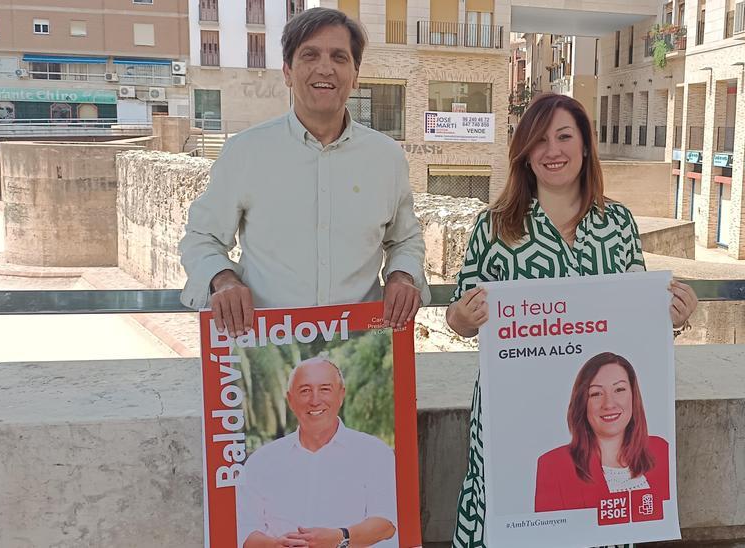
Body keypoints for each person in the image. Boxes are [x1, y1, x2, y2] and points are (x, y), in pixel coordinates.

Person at [444, 93, 699, 547]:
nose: (552, 151)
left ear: (585, 146)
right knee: (512, 508)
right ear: (524, 152)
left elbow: (639, 317)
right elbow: (460, 319)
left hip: (591, 406)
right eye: (539, 140)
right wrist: (463, 317)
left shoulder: (616, 222)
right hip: (512, 408)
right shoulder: (497, 225)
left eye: (564, 136)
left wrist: (674, 316)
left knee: (595, 520)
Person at [179, 7, 429, 334]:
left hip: (360, 347)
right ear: (287, 71)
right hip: (268, 348)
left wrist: (402, 275)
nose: (325, 68)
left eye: (339, 57)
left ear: (355, 75)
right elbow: (202, 238)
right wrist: (222, 279)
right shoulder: (246, 152)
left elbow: (405, 239)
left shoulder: (386, 158)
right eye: (309, 55)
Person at [237, 357, 398, 548]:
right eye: (305, 391)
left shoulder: (375, 453)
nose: (315, 400)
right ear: (290, 399)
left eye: (325, 389)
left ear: (341, 395)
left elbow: (387, 523)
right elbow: (244, 531)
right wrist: (275, 546)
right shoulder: (261, 461)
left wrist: (340, 539)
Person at [535, 352, 670, 512]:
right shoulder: (554, 465)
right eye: (596, 393)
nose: (609, 404)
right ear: (582, 403)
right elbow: (549, 533)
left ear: (633, 396)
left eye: (619, 389)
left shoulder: (661, 449)